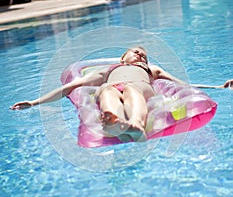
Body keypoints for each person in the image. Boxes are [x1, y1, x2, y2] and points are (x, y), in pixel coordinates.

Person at [11, 46, 233, 142]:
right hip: (112, 86)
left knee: (130, 89)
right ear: (122, 58)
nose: (140, 55)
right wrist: (34, 102)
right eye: (135, 53)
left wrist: (220, 87)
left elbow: (183, 84)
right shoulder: (105, 72)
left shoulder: (151, 70)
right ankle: (114, 122)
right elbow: (69, 87)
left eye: (143, 55)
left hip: (139, 86)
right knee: (106, 90)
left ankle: (135, 124)